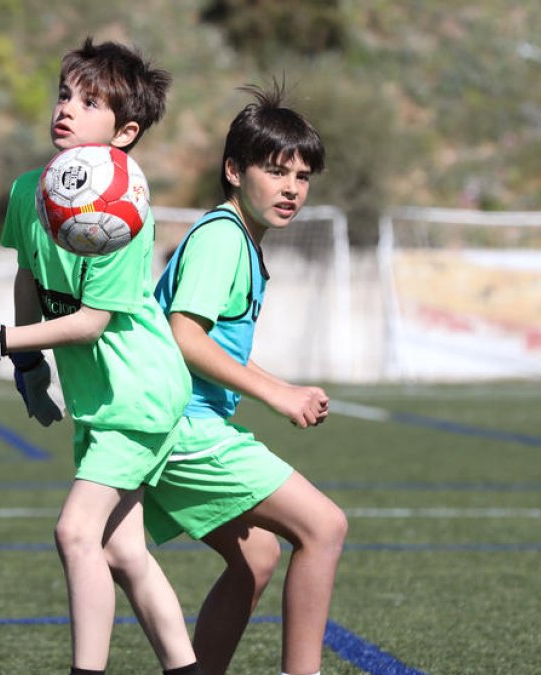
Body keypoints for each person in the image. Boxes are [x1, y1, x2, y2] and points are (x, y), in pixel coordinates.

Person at [0, 38, 200, 675]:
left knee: (74, 533)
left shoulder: (122, 211)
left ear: (125, 133)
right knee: (124, 554)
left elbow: (92, 324)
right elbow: (28, 277)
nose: (66, 107)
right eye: (66, 93)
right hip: (102, 400)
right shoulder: (29, 190)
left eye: (89, 101)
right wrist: (27, 364)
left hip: (139, 392)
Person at [145, 83, 348, 675]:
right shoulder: (221, 241)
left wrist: (279, 383)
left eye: (303, 176)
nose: (291, 188)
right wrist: (276, 393)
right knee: (325, 526)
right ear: (234, 170)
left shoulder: (236, 240)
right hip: (181, 425)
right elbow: (184, 335)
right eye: (276, 170)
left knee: (257, 555)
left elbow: (204, 340)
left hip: (176, 421)